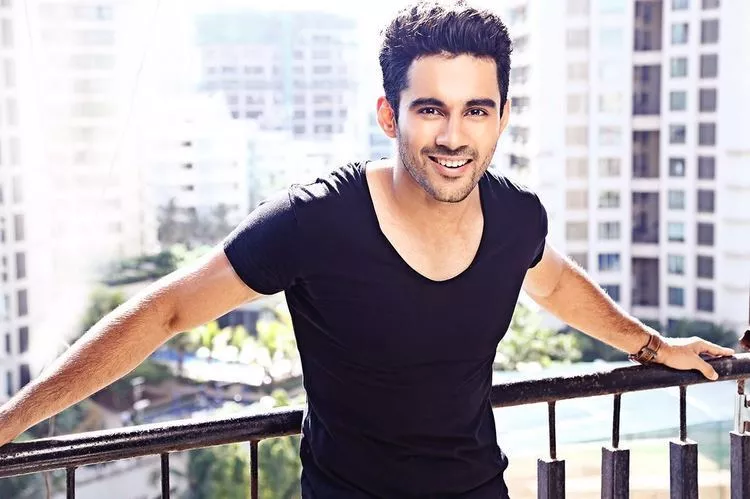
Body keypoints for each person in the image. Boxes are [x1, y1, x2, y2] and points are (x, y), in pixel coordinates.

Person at [0, 2, 735, 497]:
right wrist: (13, 419)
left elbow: (554, 281)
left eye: (476, 110)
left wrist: (653, 346)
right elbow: (163, 312)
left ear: (503, 116)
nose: (454, 136)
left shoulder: (517, 216)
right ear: (390, 114)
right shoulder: (314, 220)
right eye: (431, 109)